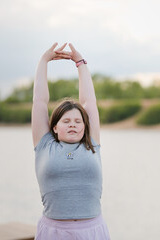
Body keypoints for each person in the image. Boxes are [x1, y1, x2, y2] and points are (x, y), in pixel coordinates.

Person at [32, 42, 111, 240]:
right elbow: (39, 101)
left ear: (85, 125)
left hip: (92, 231)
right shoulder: (45, 145)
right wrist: (44, 61)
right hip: (53, 232)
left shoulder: (91, 143)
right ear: (55, 127)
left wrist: (80, 63)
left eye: (77, 121)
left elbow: (89, 102)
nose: (73, 124)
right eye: (66, 121)